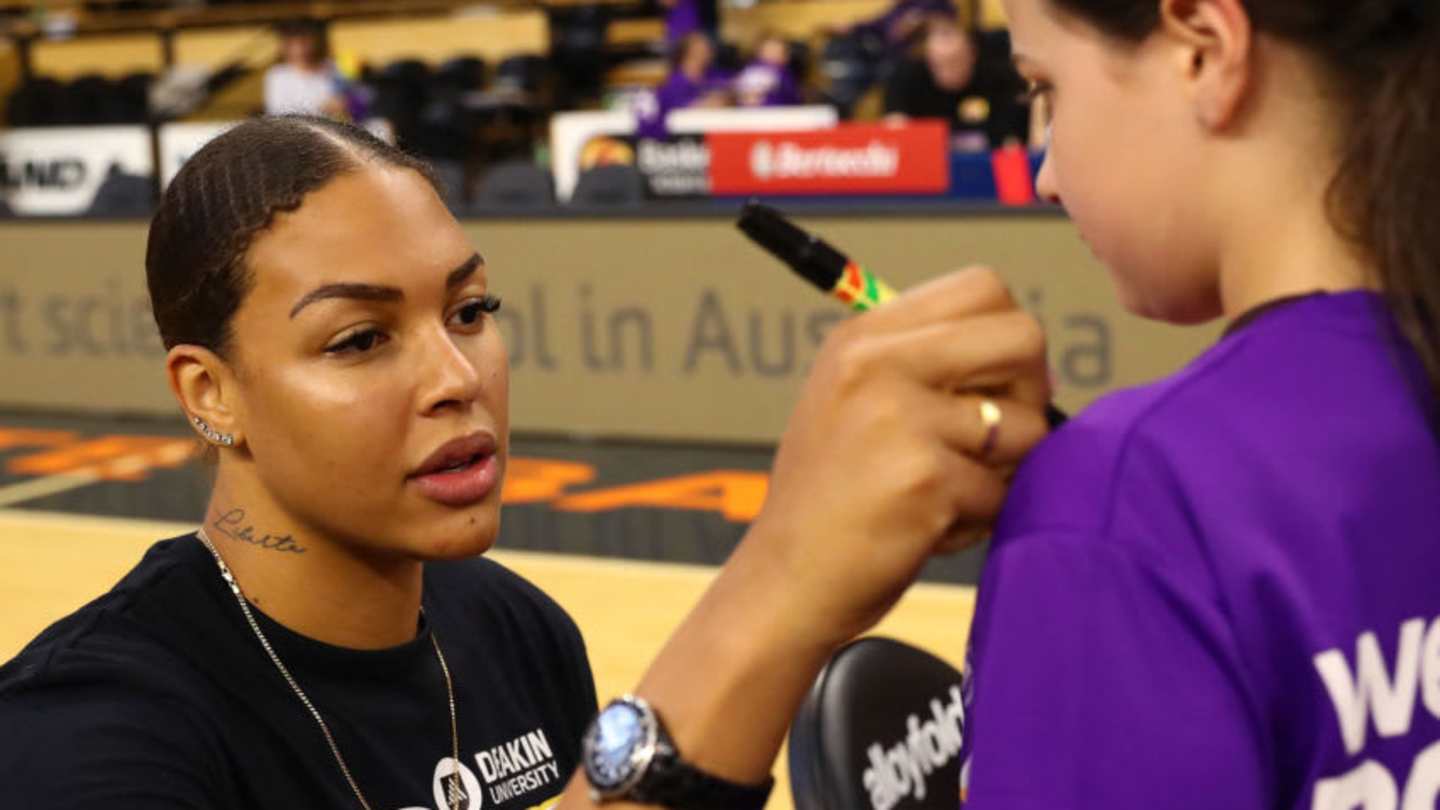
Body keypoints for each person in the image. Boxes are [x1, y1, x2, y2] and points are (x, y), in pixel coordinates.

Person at [0, 113, 1053, 805]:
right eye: (359, 339)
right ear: (209, 393)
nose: (456, 375)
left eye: (470, 309)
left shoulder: (516, 629)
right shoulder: (86, 732)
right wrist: (777, 585)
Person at [549, 0, 1440, 809]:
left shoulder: (1121, 499)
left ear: (1203, 49)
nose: (1046, 174)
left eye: (1044, 89)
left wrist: (776, 578)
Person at [884, 16, 1028, 151]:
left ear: (972, 54)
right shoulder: (908, 78)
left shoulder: (998, 80)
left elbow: (1012, 140)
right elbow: (895, 127)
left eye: (954, 62)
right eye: (939, 65)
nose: (947, 72)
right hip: (926, 160)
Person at [264, 19, 354, 119]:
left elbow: (351, 99)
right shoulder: (277, 75)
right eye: (293, 44)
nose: (299, 49)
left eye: (304, 42)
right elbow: (276, 112)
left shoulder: (334, 67)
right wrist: (321, 107)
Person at [733, 33, 802, 107]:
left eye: (778, 52)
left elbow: (793, 96)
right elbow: (738, 88)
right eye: (769, 51)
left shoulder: (786, 74)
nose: (773, 55)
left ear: (785, 56)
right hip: (752, 110)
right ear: (759, 52)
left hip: (780, 109)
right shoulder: (751, 70)